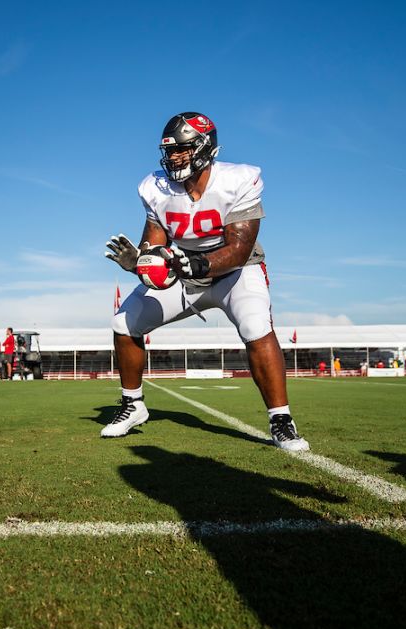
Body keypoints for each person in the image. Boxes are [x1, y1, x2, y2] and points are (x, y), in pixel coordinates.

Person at [102, 112, 309, 451]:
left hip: (234, 274)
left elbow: (239, 249)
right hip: (183, 271)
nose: (174, 158)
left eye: (182, 150)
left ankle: (281, 419)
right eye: (169, 151)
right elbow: (153, 248)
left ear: (205, 147)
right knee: (124, 322)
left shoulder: (239, 180)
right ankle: (132, 404)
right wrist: (138, 263)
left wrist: (197, 263)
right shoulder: (155, 188)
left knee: (256, 327)